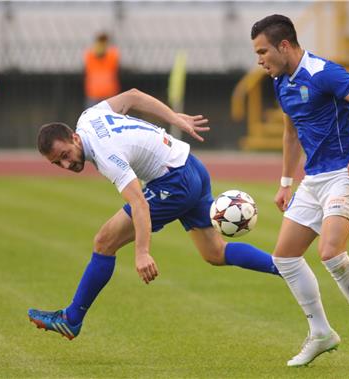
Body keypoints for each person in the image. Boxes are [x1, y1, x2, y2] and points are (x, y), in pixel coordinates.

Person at [28, 88, 280, 340]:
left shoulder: (106, 155)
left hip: (174, 182)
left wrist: (142, 252)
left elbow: (140, 203)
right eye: (56, 163)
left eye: (65, 155)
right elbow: (133, 96)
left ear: (74, 138)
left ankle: (71, 319)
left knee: (104, 242)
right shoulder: (89, 117)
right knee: (214, 253)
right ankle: (284, 266)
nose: (66, 164)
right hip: (190, 165)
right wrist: (174, 118)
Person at [250, 15, 349, 372]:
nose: (259, 59)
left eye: (263, 51)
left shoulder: (323, 72)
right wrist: (285, 182)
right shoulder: (281, 81)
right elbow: (291, 133)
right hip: (314, 179)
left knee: (330, 253)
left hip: (347, 172)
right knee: (285, 258)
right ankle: (321, 332)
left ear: (284, 45)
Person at [84, 33, 121, 108]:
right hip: (93, 93)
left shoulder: (112, 55)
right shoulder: (90, 55)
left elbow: (114, 63)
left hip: (109, 93)